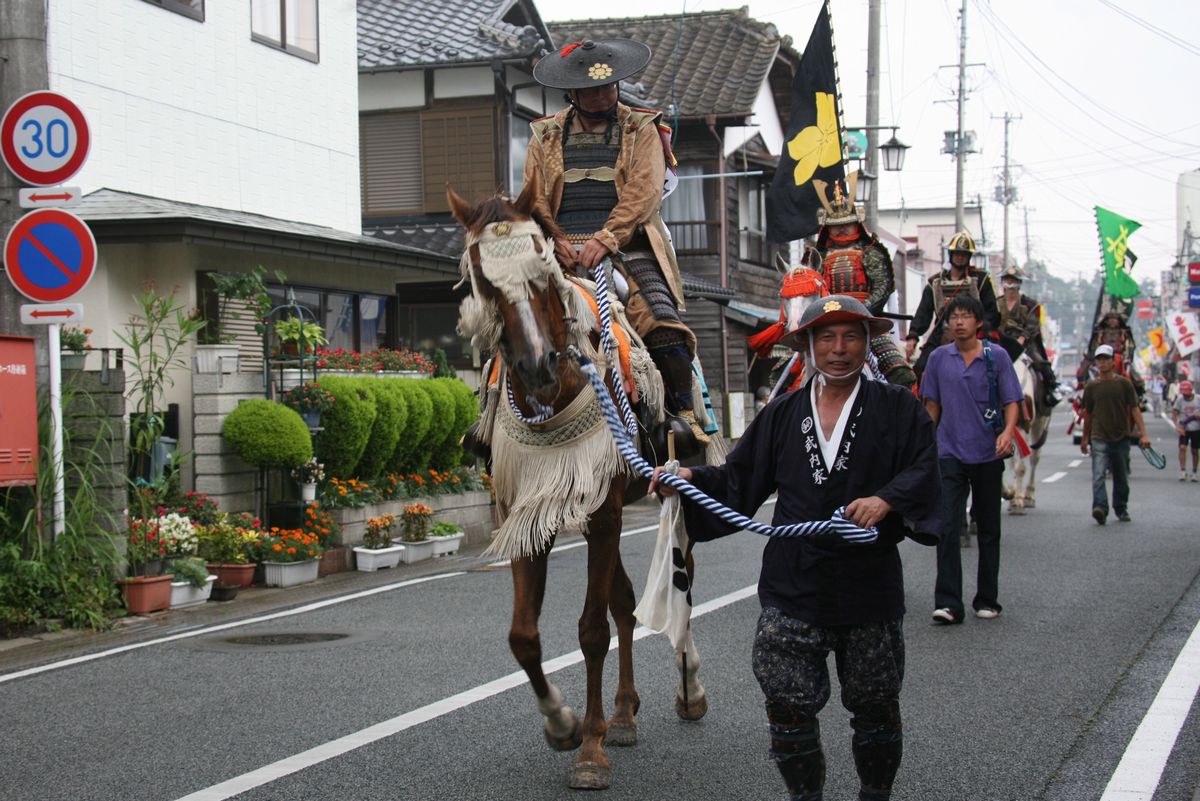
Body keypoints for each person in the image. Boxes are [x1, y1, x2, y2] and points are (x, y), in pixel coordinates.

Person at [650, 295, 941, 801]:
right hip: (794, 580)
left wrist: (886, 500)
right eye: (826, 337)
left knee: (874, 704)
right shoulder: (783, 413)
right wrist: (690, 477)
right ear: (806, 346)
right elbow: (740, 479)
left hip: (867, 582)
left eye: (851, 336)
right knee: (785, 701)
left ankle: (875, 794)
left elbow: (923, 468)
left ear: (867, 342)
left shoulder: (898, 407)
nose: (839, 348)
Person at [524, 38, 710, 444]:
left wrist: (606, 239)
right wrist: (555, 239)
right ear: (571, 92)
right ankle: (491, 416)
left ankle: (681, 416)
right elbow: (534, 194)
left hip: (628, 244)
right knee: (509, 315)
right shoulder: (545, 135)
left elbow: (643, 192)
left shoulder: (642, 128)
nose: (601, 96)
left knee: (663, 323)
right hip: (558, 247)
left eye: (608, 87)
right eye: (591, 90)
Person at [920, 294, 1021, 624]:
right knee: (947, 526)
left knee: (989, 528)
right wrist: (922, 444)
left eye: (965, 316)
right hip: (949, 452)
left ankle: (987, 598)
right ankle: (948, 602)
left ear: (979, 322)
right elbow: (932, 406)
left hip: (988, 453)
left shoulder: (998, 357)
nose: (958, 322)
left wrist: (1007, 433)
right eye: (954, 317)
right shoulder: (937, 358)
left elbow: (1011, 400)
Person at [811, 175, 916, 387]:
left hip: (865, 320)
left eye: (847, 224)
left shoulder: (870, 251)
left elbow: (882, 286)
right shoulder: (817, 257)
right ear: (826, 227)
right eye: (836, 225)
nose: (841, 229)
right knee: (784, 372)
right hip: (825, 320)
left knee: (901, 375)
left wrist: (861, 311)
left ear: (856, 223)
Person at [905, 231, 1000, 379]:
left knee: (997, 366)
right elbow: (923, 312)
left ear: (969, 256)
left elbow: (992, 312)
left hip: (977, 333)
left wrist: (979, 329)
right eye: (957, 253)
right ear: (951, 254)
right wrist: (913, 336)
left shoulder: (981, 280)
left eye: (964, 254)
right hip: (942, 333)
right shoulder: (934, 283)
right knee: (919, 371)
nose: (960, 257)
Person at [1081, 344, 1152, 524]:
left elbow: (1135, 409)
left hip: (1121, 437)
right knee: (1098, 476)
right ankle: (1100, 509)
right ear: (1096, 363)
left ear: (1113, 362)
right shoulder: (1091, 386)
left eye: (1106, 359)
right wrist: (1085, 438)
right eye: (1100, 359)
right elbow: (1088, 414)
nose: (1103, 362)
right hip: (1099, 437)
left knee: (1121, 478)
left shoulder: (1124, 383)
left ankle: (1121, 508)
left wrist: (1144, 434)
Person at [996, 266, 1059, 406]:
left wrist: (1022, 339)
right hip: (1000, 342)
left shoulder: (1031, 305)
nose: (1010, 282)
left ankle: (1051, 390)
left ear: (1019, 283)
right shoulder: (995, 304)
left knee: (1041, 363)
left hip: (1024, 345)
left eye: (1014, 280)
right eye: (1008, 279)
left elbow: (1032, 326)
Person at [1171, 379, 1200, 482]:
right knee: (1182, 448)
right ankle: (1183, 470)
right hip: (1184, 428)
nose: (1185, 396)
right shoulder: (1180, 400)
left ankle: (1194, 472)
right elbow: (1174, 415)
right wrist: (1178, 427)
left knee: (1195, 450)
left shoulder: (1198, 399)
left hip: (1196, 428)